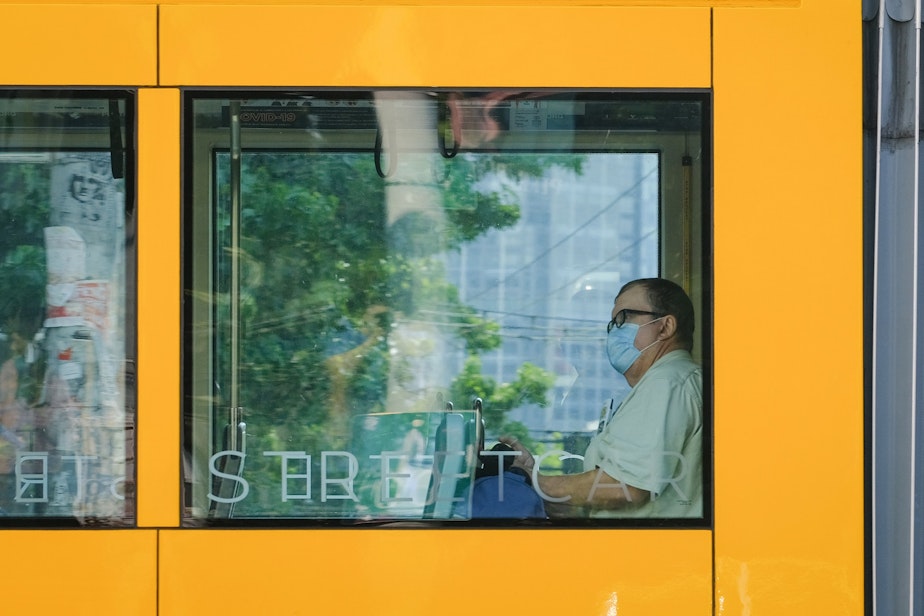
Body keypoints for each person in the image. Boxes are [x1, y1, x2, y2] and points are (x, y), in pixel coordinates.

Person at [501, 278, 702, 518]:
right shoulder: (661, 385)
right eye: (612, 323)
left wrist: (532, 482)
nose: (615, 330)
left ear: (665, 326)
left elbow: (624, 486)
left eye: (624, 317)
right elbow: (611, 498)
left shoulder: (667, 382)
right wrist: (539, 482)